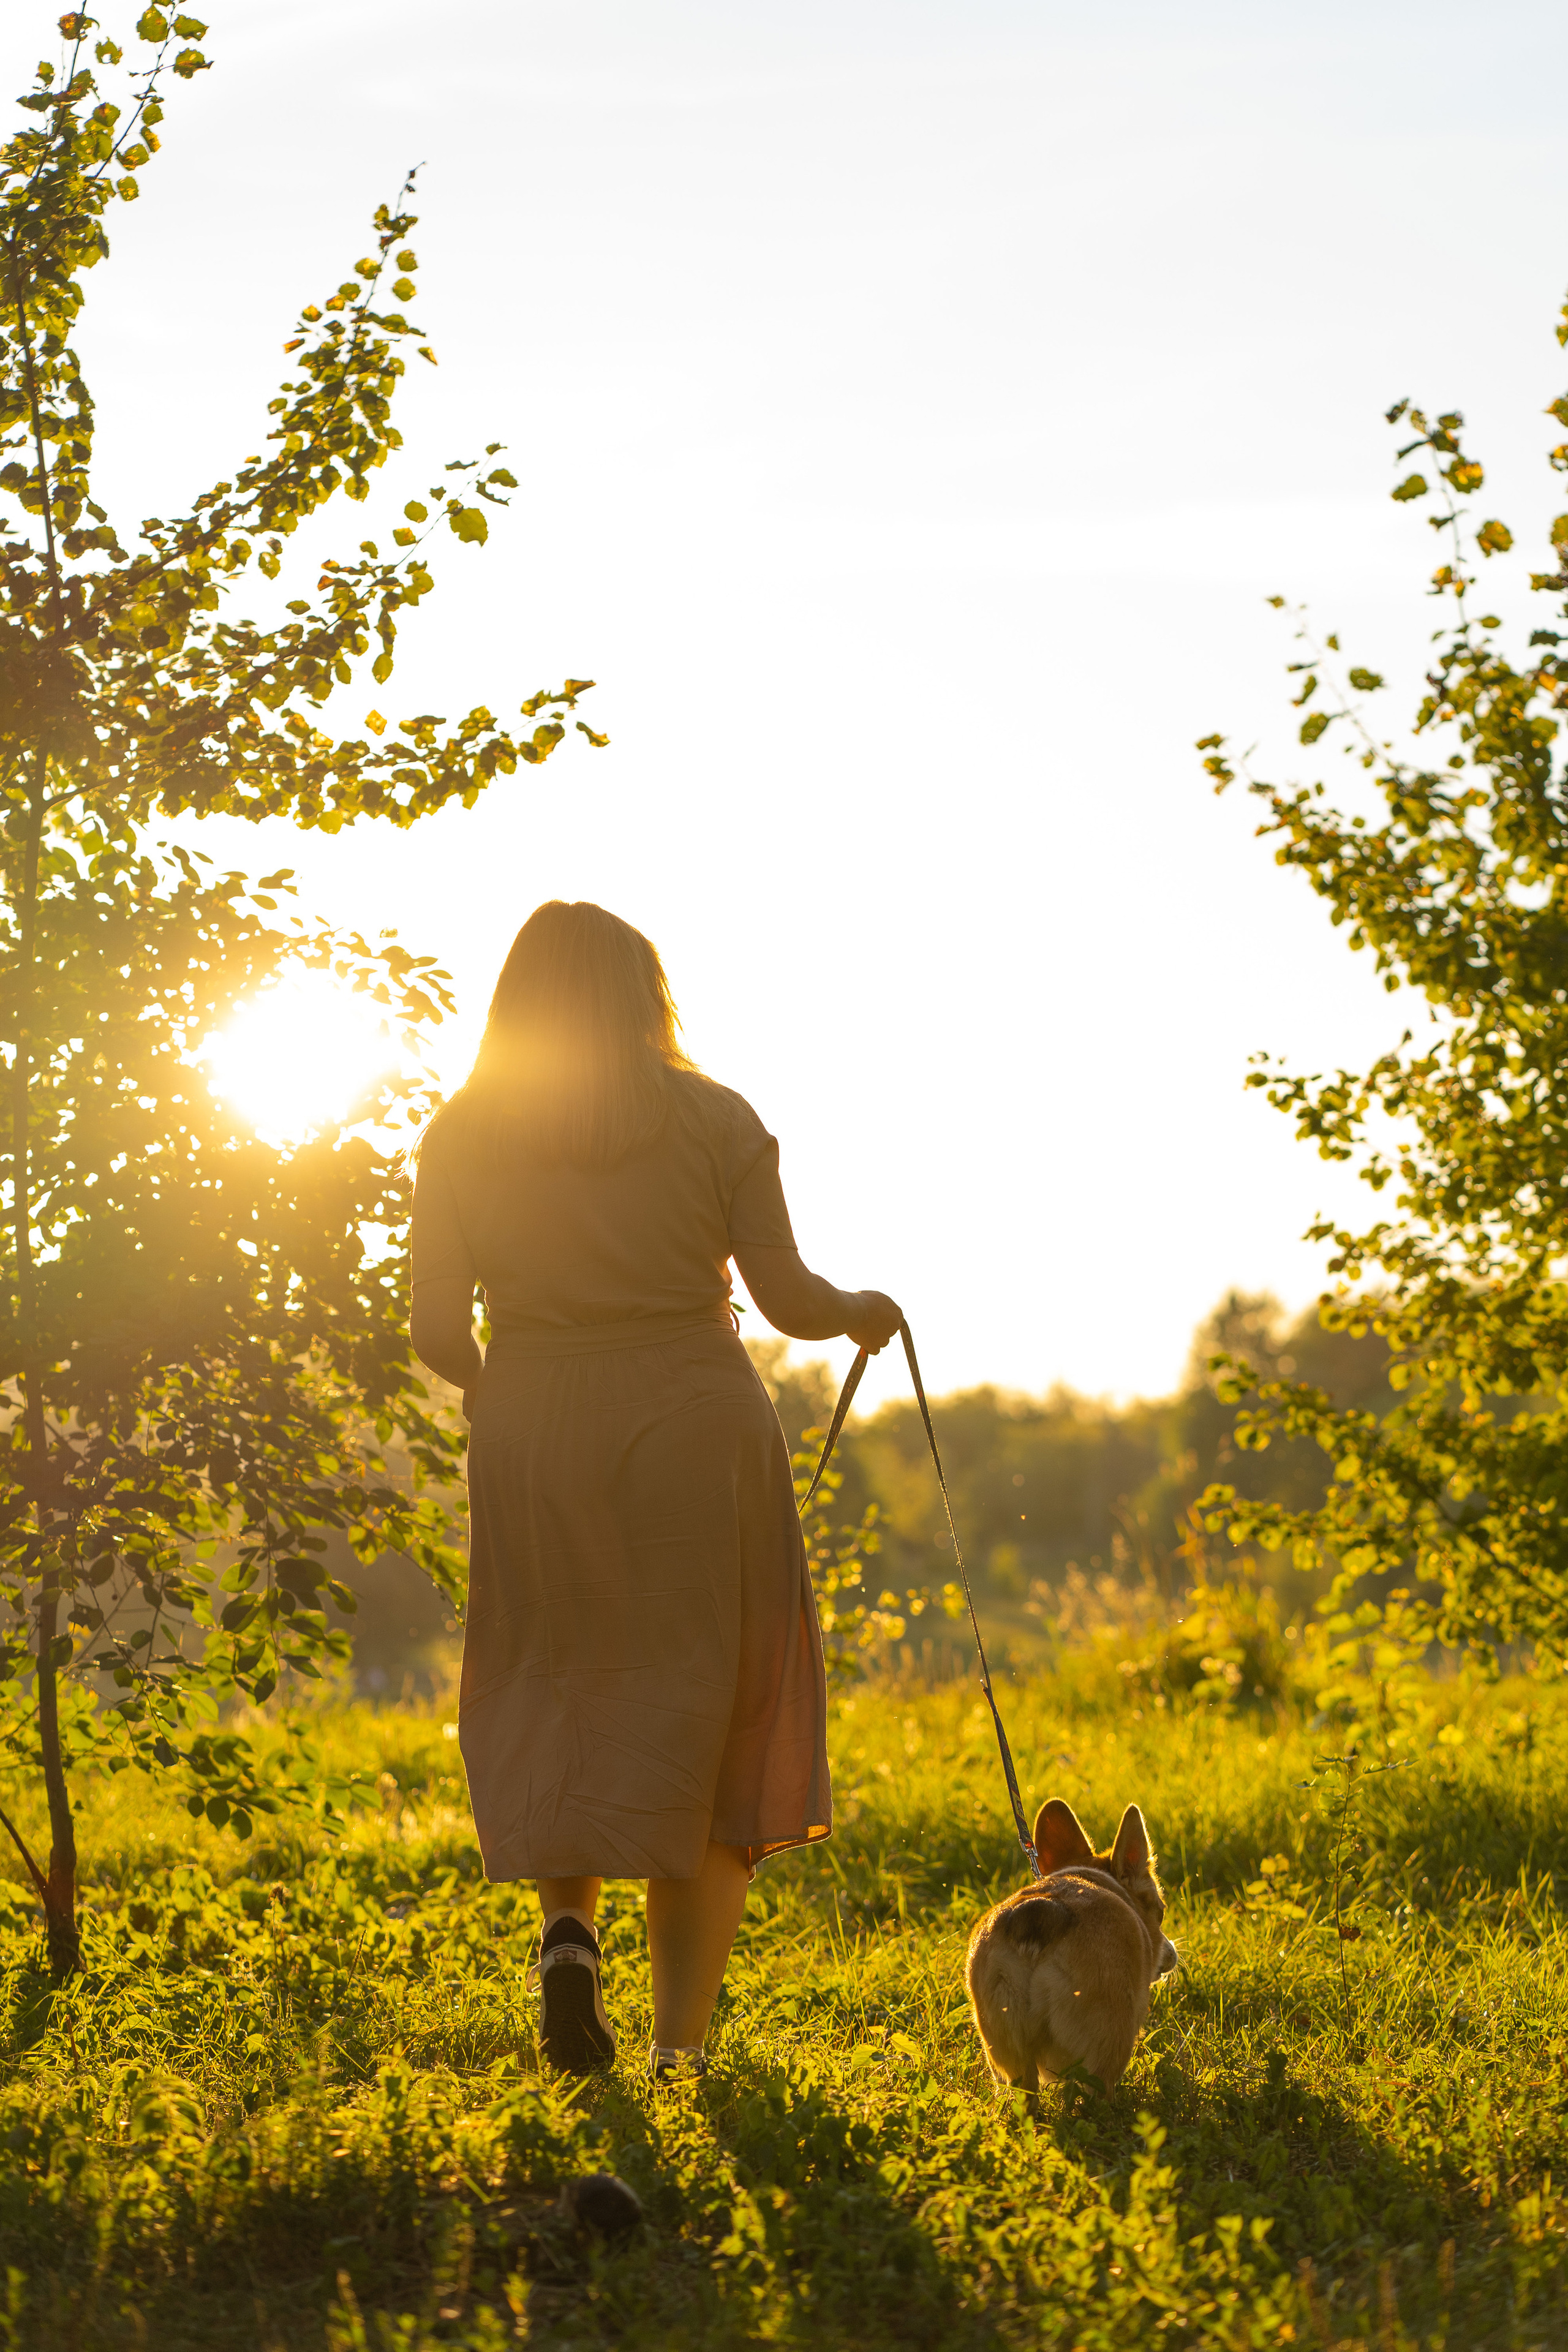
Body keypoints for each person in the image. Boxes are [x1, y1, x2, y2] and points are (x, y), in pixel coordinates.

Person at [409, 900, 900, 2084]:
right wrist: (859, 1313)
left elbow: (433, 1331)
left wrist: (511, 1391)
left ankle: (567, 1937)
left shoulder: (464, 1131)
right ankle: (681, 2051)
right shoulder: (716, 1118)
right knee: (713, 1711)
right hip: (695, 1428)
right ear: (647, 994)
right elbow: (784, 1298)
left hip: (536, 1428)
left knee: (561, 1683)